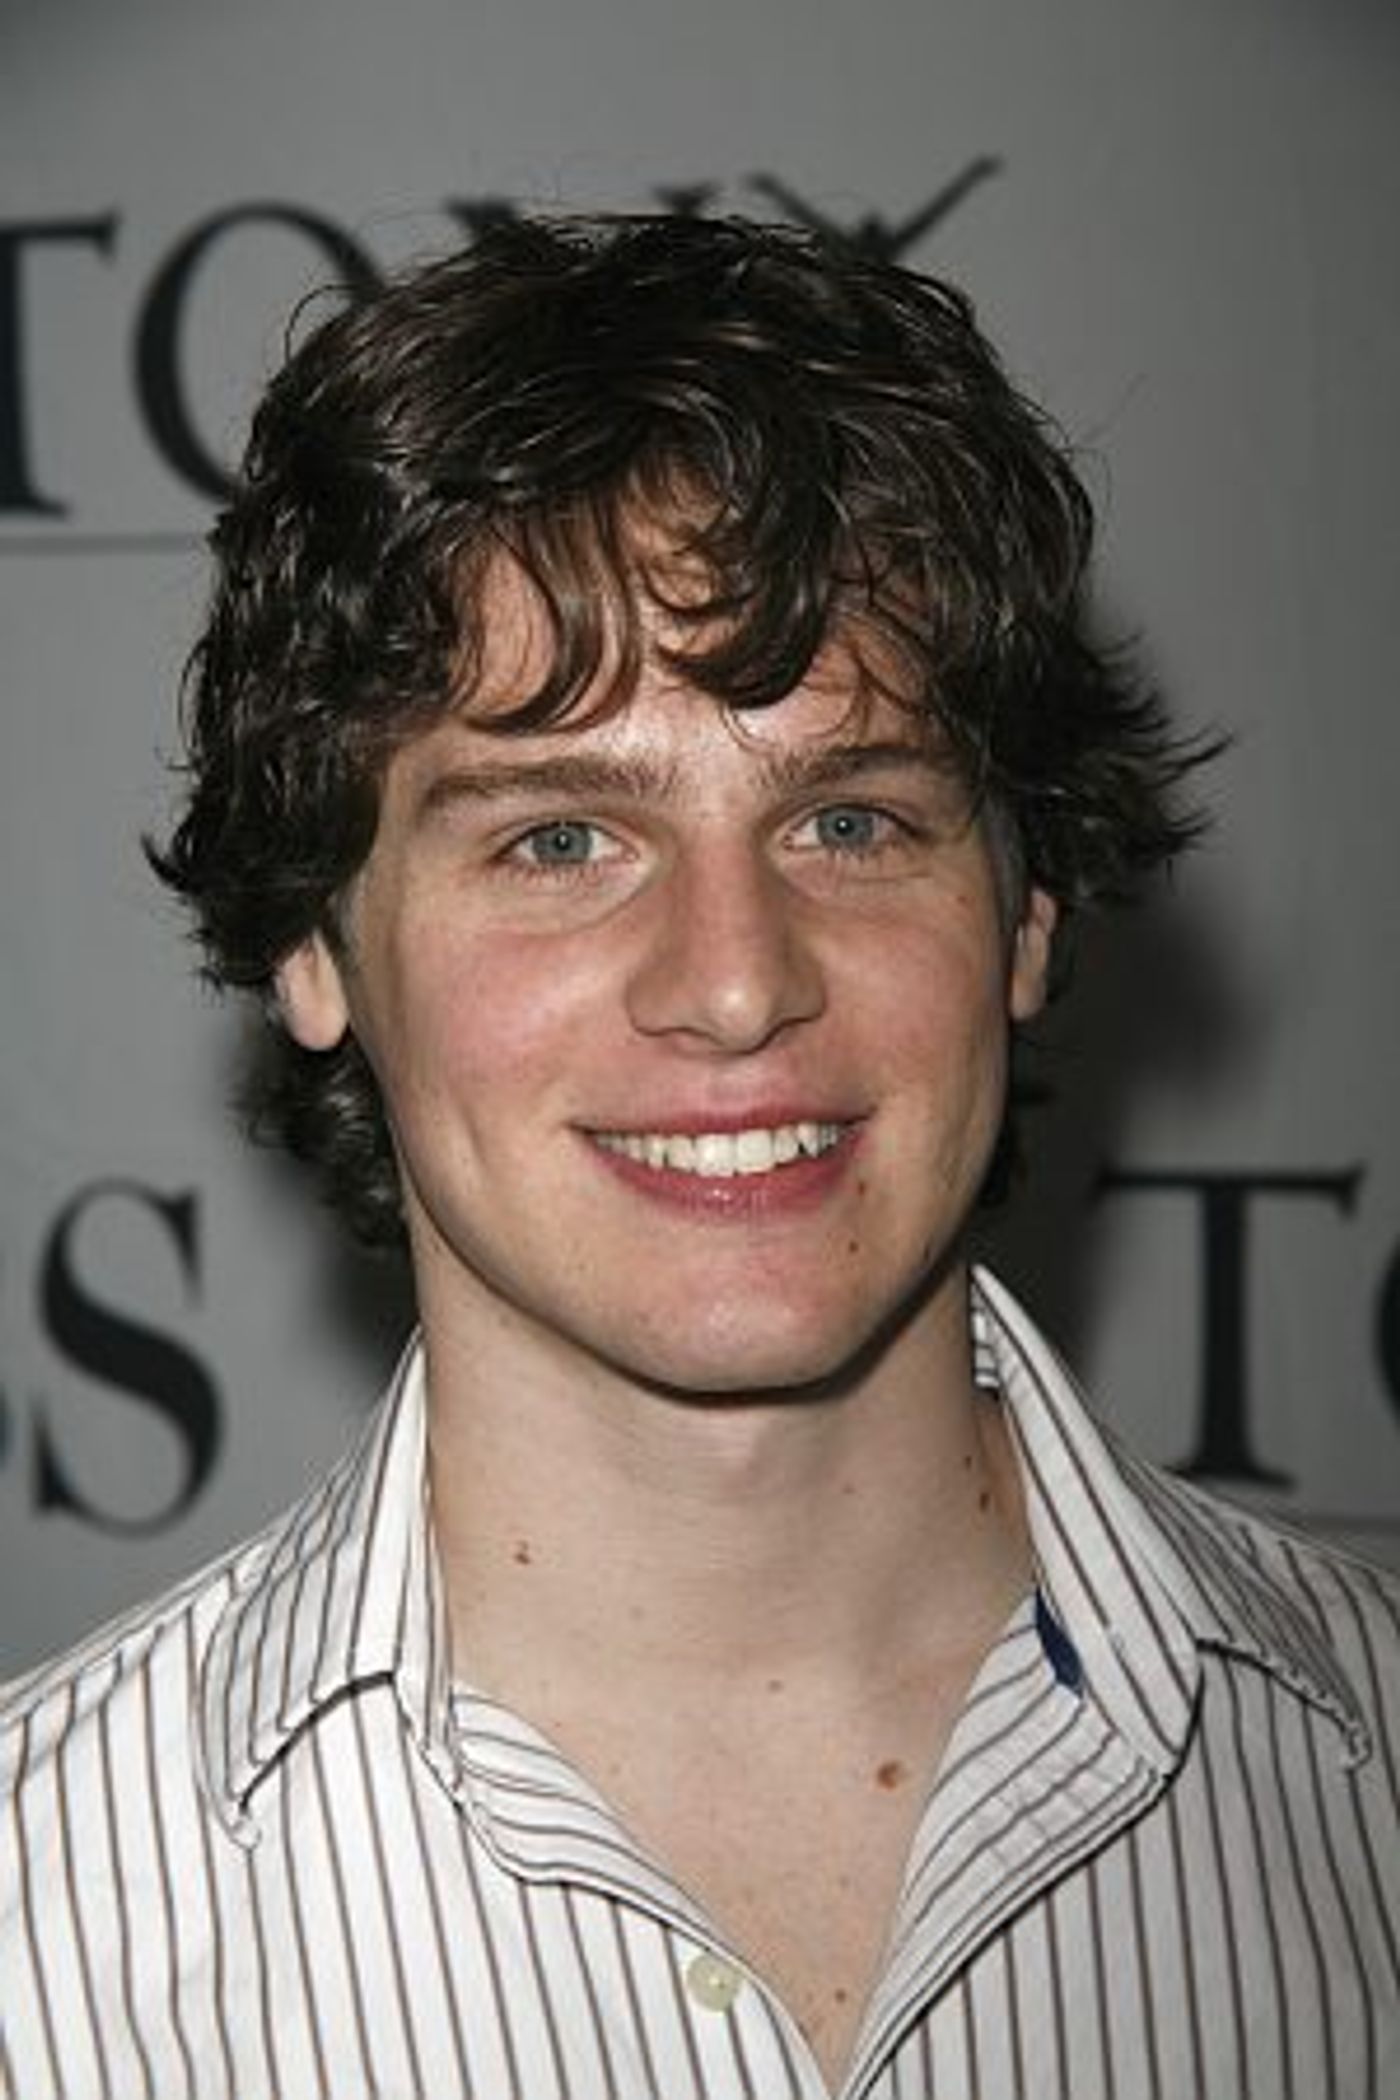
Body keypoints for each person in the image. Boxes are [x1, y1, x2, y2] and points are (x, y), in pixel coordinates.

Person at [1, 213, 1395, 2100]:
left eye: (851, 820)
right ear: (313, 946)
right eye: (560, 840)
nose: (737, 986)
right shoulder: (33, 1927)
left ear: (1028, 913)